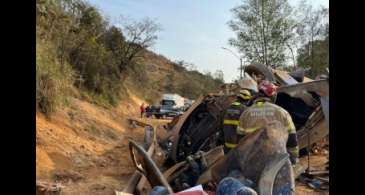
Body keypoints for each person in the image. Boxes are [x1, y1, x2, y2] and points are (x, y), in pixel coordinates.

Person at [236, 80, 299, 165]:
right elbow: (292, 139)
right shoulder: (282, 112)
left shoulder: (245, 113)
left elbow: (240, 142)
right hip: (276, 162)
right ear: (273, 95)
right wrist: (293, 159)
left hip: (252, 162)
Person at [222, 77, 258, 153]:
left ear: (238, 97)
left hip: (226, 146)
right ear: (247, 100)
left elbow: (220, 127)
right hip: (239, 147)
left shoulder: (226, 109)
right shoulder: (245, 110)